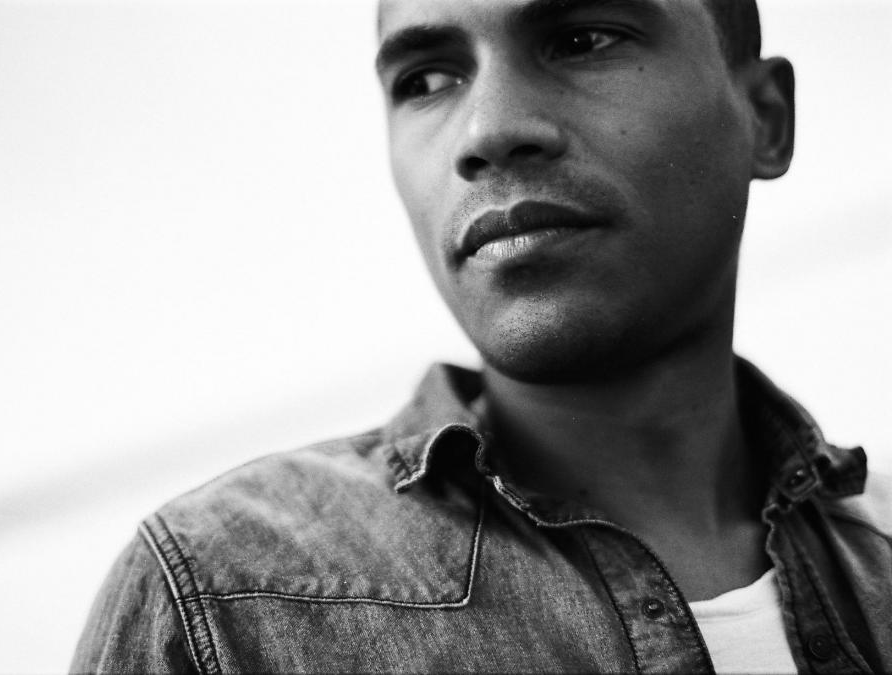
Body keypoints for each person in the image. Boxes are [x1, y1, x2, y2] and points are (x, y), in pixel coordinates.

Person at [71, 0, 891, 672]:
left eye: (582, 39)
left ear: (764, 118)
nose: (487, 131)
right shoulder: (223, 597)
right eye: (426, 80)